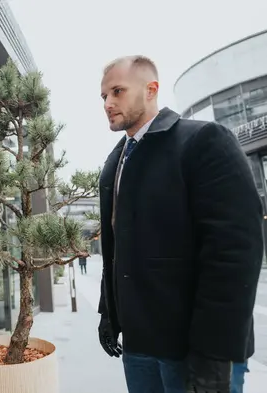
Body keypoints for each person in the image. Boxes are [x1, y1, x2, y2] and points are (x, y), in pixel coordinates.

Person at [96, 55, 263, 393]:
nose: (108, 103)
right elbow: (118, 249)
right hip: (139, 347)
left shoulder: (203, 140)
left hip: (196, 350)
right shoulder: (116, 161)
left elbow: (234, 251)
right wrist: (108, 314)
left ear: (151, 89)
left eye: (117, 91)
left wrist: (216, 352)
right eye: (103, 96)